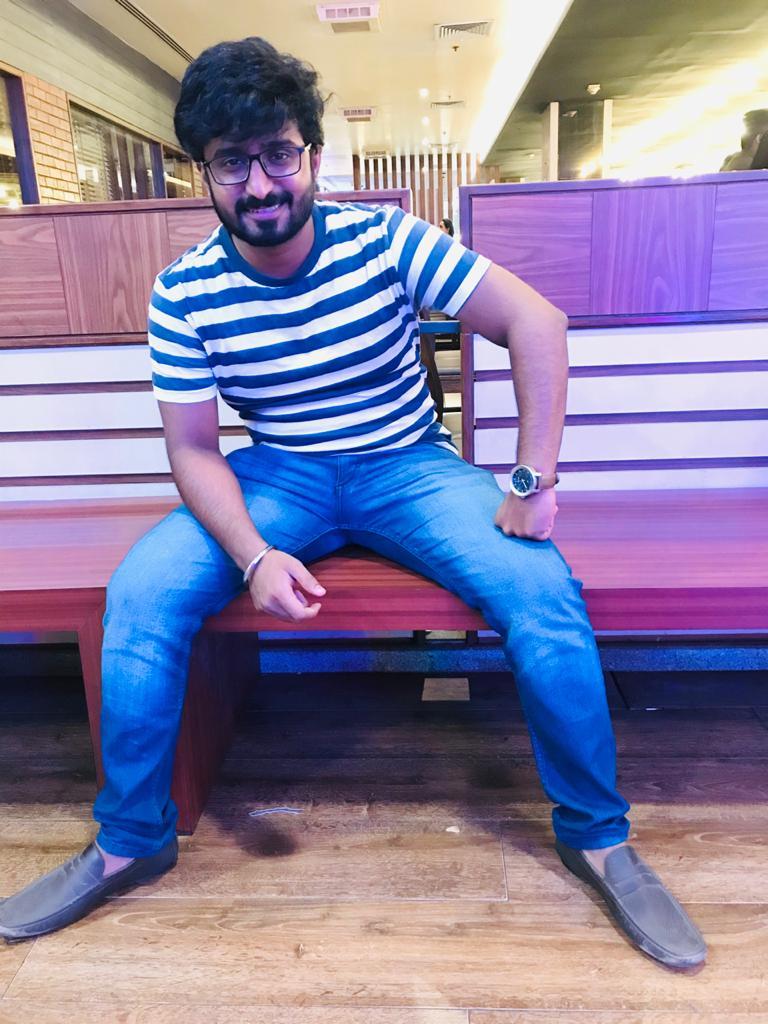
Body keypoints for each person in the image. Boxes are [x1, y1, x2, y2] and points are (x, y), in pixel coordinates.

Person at [0, 36, 706, 969]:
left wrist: (533, 480)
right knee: (142, 593)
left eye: (278, 154)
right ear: (205, 173)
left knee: (540, 590)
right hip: (279, 474)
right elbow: (194, 449)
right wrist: (254, 555)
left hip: (408, 466)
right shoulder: (184, 292)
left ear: (314, 156)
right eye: (232, 163)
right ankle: (131, 838)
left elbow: (535, 321)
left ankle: (599, 837)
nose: (260, 184)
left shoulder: (383, 241)